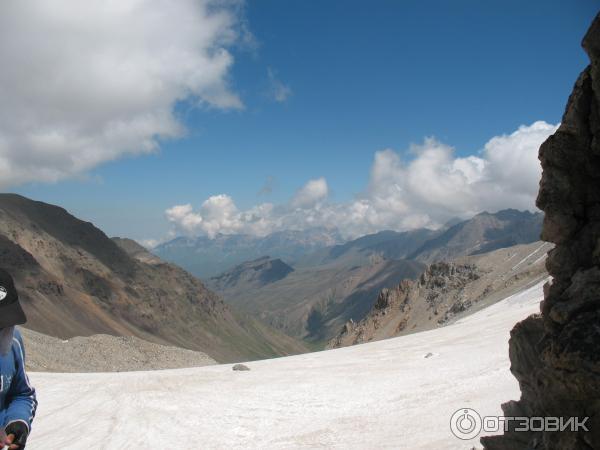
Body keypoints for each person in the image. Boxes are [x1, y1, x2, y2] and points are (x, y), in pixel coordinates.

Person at [0, 269, 37, 450]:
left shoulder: (13, 341)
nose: (3, 333)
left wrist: (18, 421)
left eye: (5, 325)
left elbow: (22, 394)